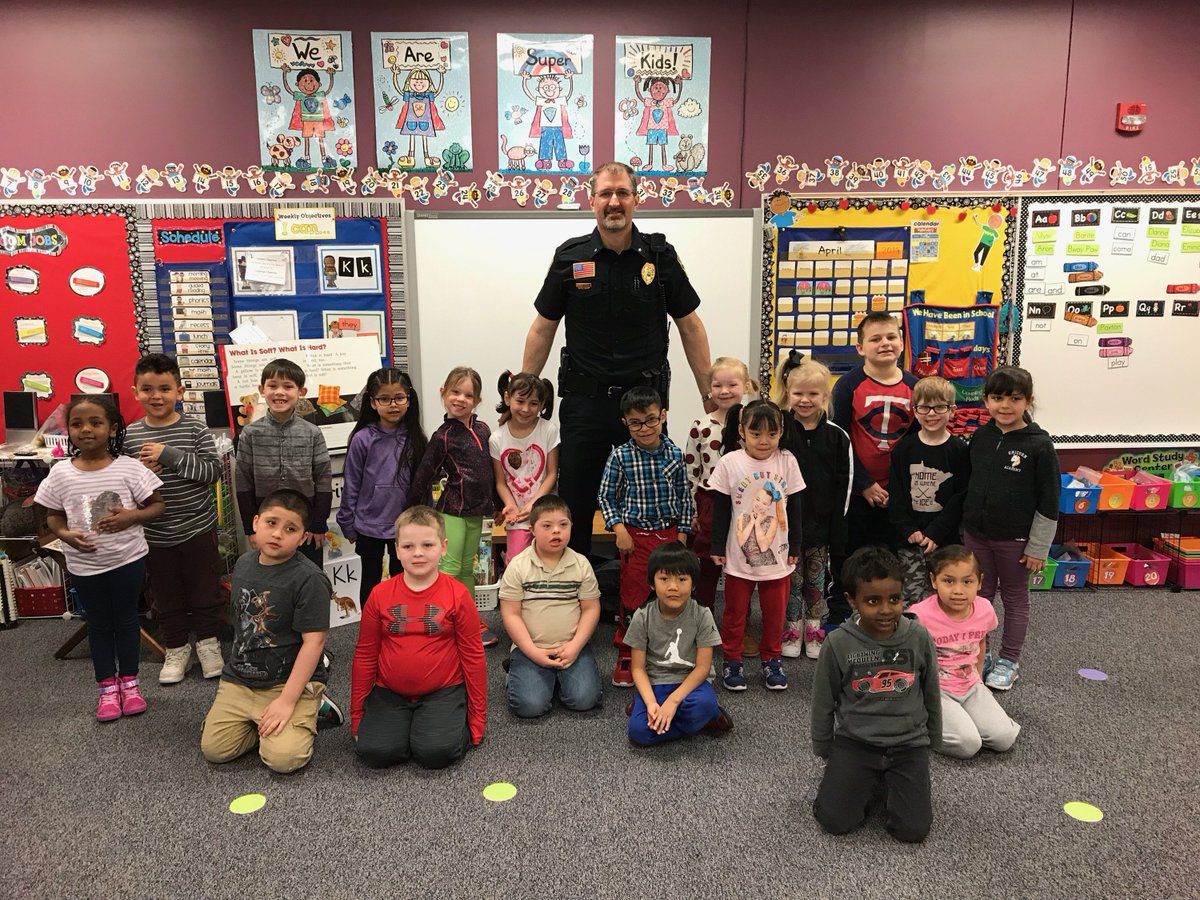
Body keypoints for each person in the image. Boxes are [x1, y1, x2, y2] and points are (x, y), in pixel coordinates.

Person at [520, 160, 713, 557]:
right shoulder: (569, 258)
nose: (614, 201)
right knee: (575, 499)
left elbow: (690, 326)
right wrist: (524, 389)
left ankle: (645, 591)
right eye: (605, 193)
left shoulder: (660, 257)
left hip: (643, 406)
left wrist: (709, 393)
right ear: (591, 202)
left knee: (649, 500)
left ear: (636, 201)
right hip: (586, 404)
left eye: (622, 193)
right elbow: (543, 327)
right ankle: (573, 587)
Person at [34, 396, 165, 721]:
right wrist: (64, 536)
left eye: (96, 422)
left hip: (127, 561)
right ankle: (107, 688)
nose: (86, 430)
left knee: (126, 620)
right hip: (84, 565)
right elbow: (53, 517)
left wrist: (130, 517)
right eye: (77, 424)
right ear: (69, 431)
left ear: (112, 428)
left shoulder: (130, 468)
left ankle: (131, 684)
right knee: (98, 624)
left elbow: (157, 505)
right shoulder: (61, 473)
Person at [201, 490, 341, 774]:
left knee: (284, 760)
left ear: (303, 538)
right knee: (216, 750)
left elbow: (314, 643)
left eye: (290, 529)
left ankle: (312, 704)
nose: (277, 534)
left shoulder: (309, 579)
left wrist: (288, 701)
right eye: (271, 523)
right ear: (255, 522)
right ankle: (262, 720)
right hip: (241, 679)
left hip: (288, 681)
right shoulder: (243, 565)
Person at [811, 546, 941, 843]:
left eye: (894, 599)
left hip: (908, 745)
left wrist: (934, 736)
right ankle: (856, 780)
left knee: (912, 831)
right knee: (835, 821)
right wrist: (823, 746)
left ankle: (884, 782)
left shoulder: (918, 636)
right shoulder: (837, 643)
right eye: (872, 601)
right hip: (856, 742)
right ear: (851, 601)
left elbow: (931, 690)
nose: (886, 609)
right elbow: (823, 700)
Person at [350, 506, 487, 768]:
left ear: (443, 547)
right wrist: (357, 716)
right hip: (389, 691)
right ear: (397, 549)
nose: (418, 553)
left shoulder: (458, 594)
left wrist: (477, 719)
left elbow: (473, 658)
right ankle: (408, 730)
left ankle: (427, 729)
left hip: (443, 689)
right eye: (409, 546)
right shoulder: (379, 595)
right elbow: (365, 656)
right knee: (375, 752)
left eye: (427, 544)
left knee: (437, 753)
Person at [125, 353, 225, 684]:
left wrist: (170, 455)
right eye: (148, 389)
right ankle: (177, 646)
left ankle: (209, 644)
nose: (157, 396)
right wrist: (140, 475)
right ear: (135, 392)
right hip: (154, 533)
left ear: (180, 392)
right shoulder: (129, 436)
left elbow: (213, 472)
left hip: (197, 526)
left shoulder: (194, 428)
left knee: (205, 588)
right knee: (165, 593)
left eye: (165, 388)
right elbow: (123, 487)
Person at [962, 367, 1060, 691]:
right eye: (997, 397)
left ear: (1028, 401)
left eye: (1015, 398)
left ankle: (1008, 661)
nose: (1005, 405)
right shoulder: (981, 436)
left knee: (1016, 600)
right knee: (980, 597)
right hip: (977, 535)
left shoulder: (1040, 445)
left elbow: (1049, 499)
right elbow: (969, 483)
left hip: (1017, 541)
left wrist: (1038, 547)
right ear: (986, 400)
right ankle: (982, 653)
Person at [598, 386, 694, 687]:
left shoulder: (676, 455)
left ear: (663, 416)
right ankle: (628, 649)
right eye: (636, 422)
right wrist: (619, 529)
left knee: (668, 591)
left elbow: (685, 498)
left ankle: (666, 647)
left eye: (651, 420)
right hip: (634, 537)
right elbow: (606, 496)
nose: (645, 428)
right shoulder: (621, 456)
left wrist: (682, 535)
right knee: (634, 593)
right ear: (626, 422)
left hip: (668, 534)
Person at [709, 399, 804, 691]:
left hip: (778, 557)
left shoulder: (787, 460)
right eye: (756, 433)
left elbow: (796, 506)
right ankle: (732, 661)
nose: (764, 441)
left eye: (772, 434)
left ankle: (772, 660)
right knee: (735, 613)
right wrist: (716, 546)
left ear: (781, 431)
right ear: (741, 430)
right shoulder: (730, 462)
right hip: (738, 557)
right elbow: (721, 509)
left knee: (774, 615)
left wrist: (796, 546)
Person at [830, 312, 918, 626]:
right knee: (850, 551)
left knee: (890, 552)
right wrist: (864, 483)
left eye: (891, 336)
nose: (885, 344)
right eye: (875, 338)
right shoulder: (848, 385)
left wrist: (896, 486)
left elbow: (916, 441)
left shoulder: (914, 386)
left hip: (896, 490)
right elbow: (840, 439)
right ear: (860, 347)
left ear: (902, 342)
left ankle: (886, 610)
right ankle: (843, 609)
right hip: (857, 489)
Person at [409, 366, 498, 646]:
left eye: (468, 395)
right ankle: (441, 623)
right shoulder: (442, 436)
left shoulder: (484, 429)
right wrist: (413, 511)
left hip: (478, 511)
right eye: (455, 392)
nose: (460, 399)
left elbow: (493, 470)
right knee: (449, 569)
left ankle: (468, 619)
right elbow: (425, 475)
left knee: (466, 571)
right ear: (443, 393)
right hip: (453, 511)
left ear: (478, 400)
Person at [774, 352, 851, 660]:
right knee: (791, 582)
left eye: (812, 394)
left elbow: (844, 484)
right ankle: (791, 628)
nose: (805, 400)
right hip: (785, 527)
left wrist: (837, 528)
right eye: (798, 394)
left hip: (821, 526)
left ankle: (814, 629)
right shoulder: (780, 432)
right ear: (788, 394)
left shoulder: (836, 436)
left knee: (817, 580)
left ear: (825, 396)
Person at [910, 546, 1020, 758]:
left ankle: (961, 720)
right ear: (934, 581)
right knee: (968, 744)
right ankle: (920, 724)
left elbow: (980, 644)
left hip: (970, 685)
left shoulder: (985, 609)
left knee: (1004, 738)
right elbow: (908, 658)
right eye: (948, 581)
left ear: (979, 582)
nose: (958, 590)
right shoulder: (919, 616)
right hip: (935, 691)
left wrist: (978, 679)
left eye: (967, 582)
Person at [499, 495, 603, 718]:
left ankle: (554, 677)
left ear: (571, 527)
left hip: (571, 647)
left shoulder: (581, 564)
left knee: (585, 700)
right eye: (547, 526)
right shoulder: (518, 566)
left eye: (563, 525)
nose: (556, 531)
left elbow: (591, 609)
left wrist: (575, 646)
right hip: (530, 648)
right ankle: (519, 672)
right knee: (529, 707)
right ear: (532, 529)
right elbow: (510, 614)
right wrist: (532, 651)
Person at [624, 544, 732, 746]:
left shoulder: (702, 614)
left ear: (693, 584)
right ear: (652, 583)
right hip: (656, 683)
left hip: (691, 683)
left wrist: (672, 703)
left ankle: (694, 716)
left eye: (682, 579)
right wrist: (650, 702)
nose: (673, 587)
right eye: (664, 579)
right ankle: (700, 723)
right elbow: (637, 668)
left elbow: (702, 668)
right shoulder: (642, 616)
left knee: (704, 706)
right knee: (638, 733)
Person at [337, 368, 428, 608]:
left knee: (404, 581)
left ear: (409, 399)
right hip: (369, 526)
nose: (393, 404)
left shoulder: (416, 438)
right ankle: (370, 630)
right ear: (373, 403)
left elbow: (423, 486)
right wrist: (347, 522)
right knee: (371, 581)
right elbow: (352, 485)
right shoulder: (363, 439)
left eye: (399, 397)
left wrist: (428, 522)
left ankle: (401, 628)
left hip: (406, 526)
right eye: (384, 399)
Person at [235, 358, 332, 571]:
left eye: (288, 386)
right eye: (273, 386)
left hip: (305, 522)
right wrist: (250, 528)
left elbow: (323, 479)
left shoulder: (312, 433)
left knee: (309, 574)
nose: (280, 392)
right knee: (271, 577)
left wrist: (318, 523)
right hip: (266, 522)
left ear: (301, 392)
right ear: (262, 389)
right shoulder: (250, 434)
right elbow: (243, 482)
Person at [888, 376, 971, 606]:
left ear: (952, 410)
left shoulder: (959, 451)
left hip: (945, 539)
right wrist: (908, 529)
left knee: (945, 597)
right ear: (914, 410)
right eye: (924, 407)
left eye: (939, 407)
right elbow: (896, 496)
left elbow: (961, 496)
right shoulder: (903, 450)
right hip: (909, 541)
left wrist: (936, 531)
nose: (931, 413)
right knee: (911, 600)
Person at [683, 356, 758, 613]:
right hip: (710, 500)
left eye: (732, 385)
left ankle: (743, 621)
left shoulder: (755, 425)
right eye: (717, 386)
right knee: (707, 562)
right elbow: (692, 471)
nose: (724, 391)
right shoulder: (701, 426)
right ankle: (703, 616)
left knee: (743, 562)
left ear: (746, 386)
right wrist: (693, 510)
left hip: (746, 502)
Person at [491, 371, 559, 562]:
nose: (526, 409)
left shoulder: (548, 430)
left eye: (534, 403)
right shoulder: (496, 438)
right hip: (517, 517)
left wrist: (534, 503)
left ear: (542, 405)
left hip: (546, 512)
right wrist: (510, 505)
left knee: (547, 563)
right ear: (507, 398)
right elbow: (501, 482)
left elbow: (552, 474)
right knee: (517, 564)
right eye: (520, 401)